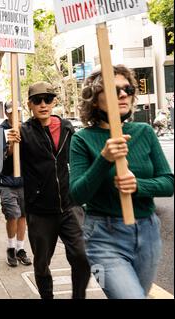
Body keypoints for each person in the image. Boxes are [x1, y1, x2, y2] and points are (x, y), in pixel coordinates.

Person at [70, 65, 174, 299]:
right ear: (94, 100)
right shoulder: (82, 139)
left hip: (148, 233)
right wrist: (104, 159)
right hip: (101, 238)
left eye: (127, 89)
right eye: (113, 89)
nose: (123, 94)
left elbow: (168, 183)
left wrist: (139, 186)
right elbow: (77, 195)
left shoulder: (144, 132)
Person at [7, 81, 91, 299]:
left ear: (54, 102)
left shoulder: (67, 128)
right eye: (37, 100)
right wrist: (11, 148)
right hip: (40, 211)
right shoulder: (22, 132)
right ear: (30, 105)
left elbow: (79, 160)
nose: (43, 104)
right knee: (42, 263)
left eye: (48, 99)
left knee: (82, 256)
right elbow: (8, 168)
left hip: (69, 205)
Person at [0, 101, 32, 267]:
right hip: (6, 182)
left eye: (18, 111)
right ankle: (11, 247)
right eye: (12, 111)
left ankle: (20, 248)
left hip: (24, 182)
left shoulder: (27, 128)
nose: (16, 114)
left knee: (22, 215)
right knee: (12, 215)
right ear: (7, 113)